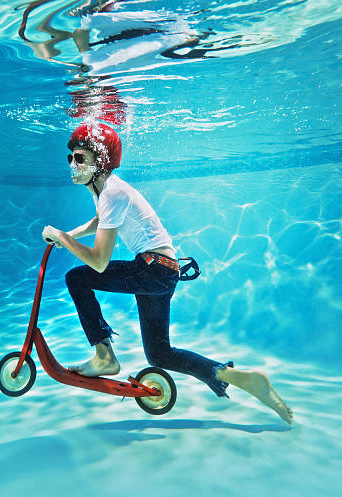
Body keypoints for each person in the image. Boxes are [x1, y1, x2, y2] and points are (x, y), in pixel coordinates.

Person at [42, 122, 293, 424]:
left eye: (79, 158)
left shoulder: (112, 192)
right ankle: (241, 378)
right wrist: (67, 234)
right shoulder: (107, 191)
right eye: (70, 158)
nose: (72, 164)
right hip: (163, 272)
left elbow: (98, 261)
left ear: (101, 161)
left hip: (151, 270)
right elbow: (100, 221)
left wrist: (62, 237)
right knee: (160, 355)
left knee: (77, 277)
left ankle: (105, 357)